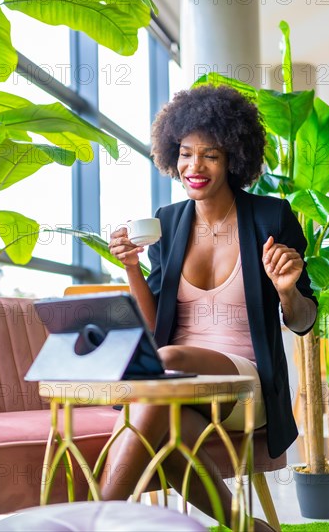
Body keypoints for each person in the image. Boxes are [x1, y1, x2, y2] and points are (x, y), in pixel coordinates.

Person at [104, 84, 317, 527]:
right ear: (171, 155)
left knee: (168, 359)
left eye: (210, 155)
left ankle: (89, 519)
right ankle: (246, 527)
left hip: (241, 386)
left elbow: (302, 320)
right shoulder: (167, 221)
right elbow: (152, 323)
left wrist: (285, 289)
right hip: (172, 386)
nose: (193, 166)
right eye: (185, 153)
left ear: (234, 159)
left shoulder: (270, 218)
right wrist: (130, 269)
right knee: (169, 420)